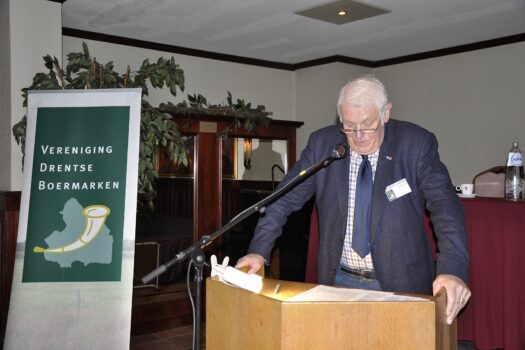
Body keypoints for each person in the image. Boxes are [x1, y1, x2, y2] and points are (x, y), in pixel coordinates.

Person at [236, 75, 471, 325]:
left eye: (367, 125)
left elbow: (446, 208)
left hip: (401, 282)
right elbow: (282, 200)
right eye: (348, 126)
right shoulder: (323, 145)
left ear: (386, 113)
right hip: (339, 280)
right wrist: (258, 251)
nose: (358, 135)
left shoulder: (415, 145)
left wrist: (451, 270)